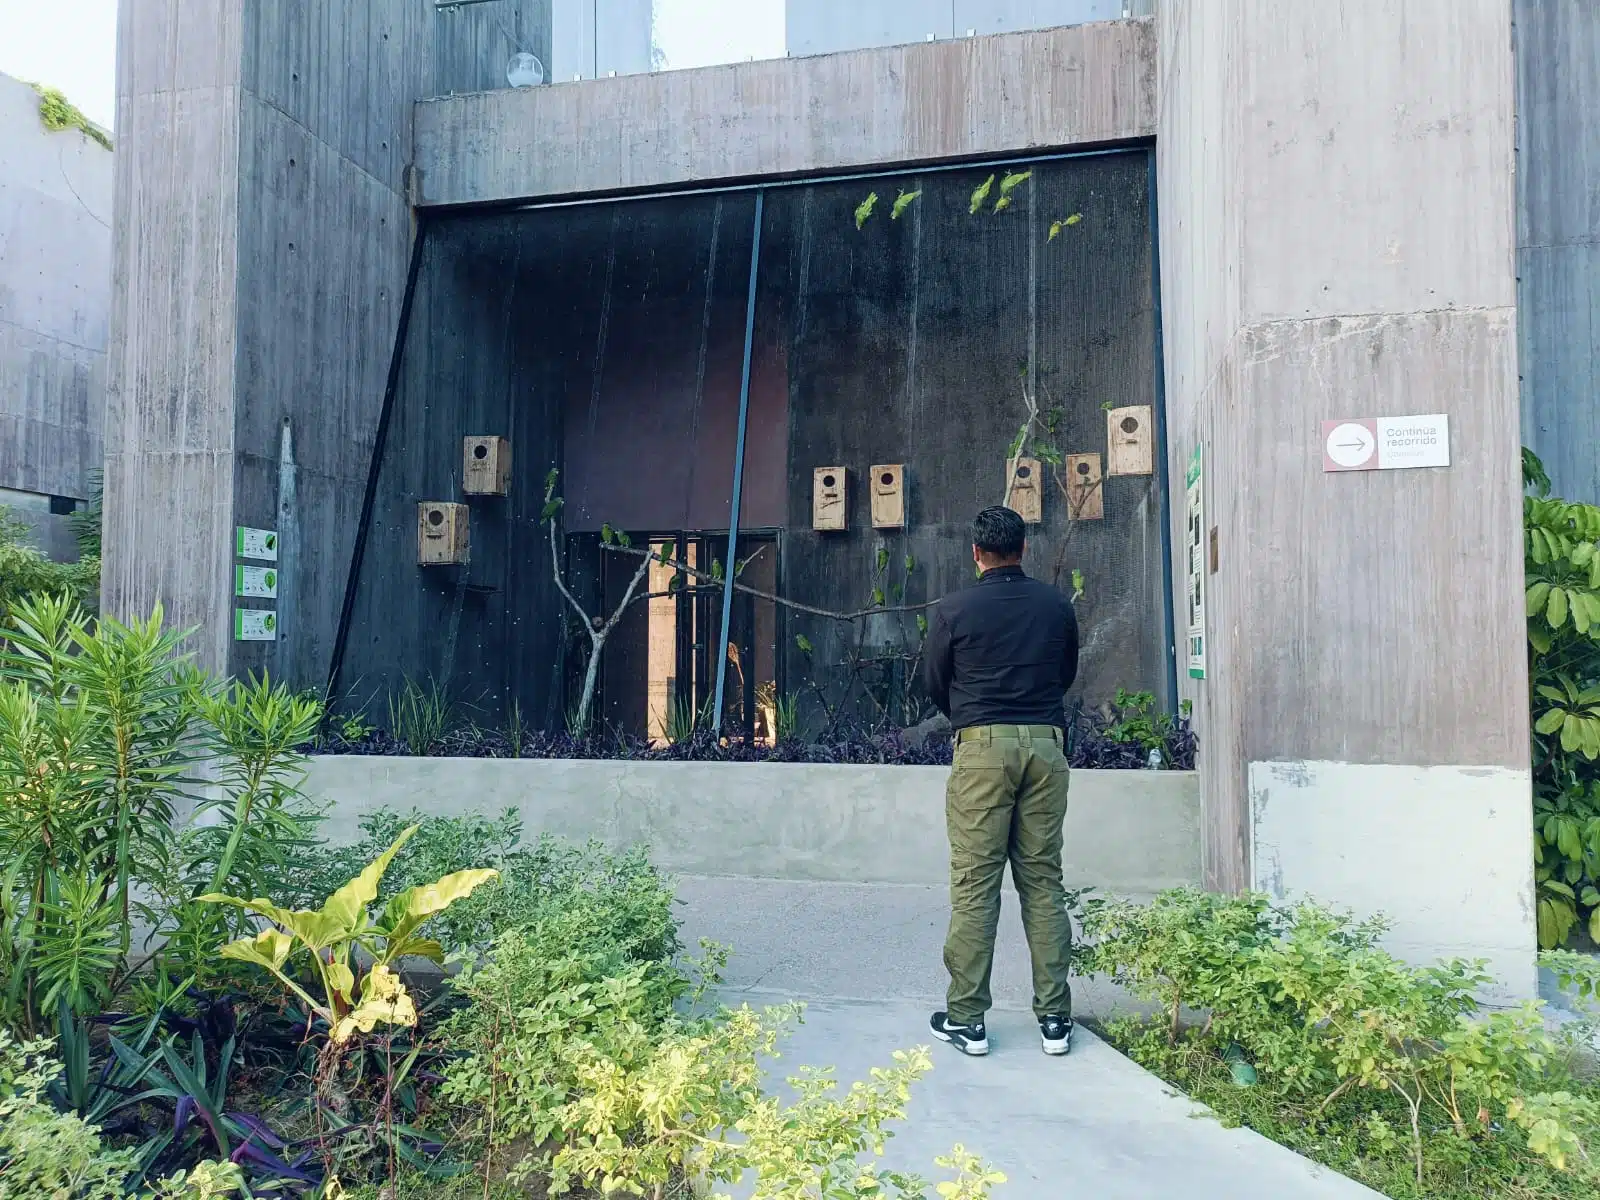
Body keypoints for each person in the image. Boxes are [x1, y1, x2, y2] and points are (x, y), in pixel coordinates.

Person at [922, 505, 1080, 1058]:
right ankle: (1055, 1020)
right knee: (1042, 880)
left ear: (976, 553)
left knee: (975, 882)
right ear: (1024, 548)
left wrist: (972, 714)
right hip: (1045, 744)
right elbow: (1066, 675)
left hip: (982, 748)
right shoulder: (1056, 606)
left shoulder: (953, 609)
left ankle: (968, 1020)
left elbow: (934, 684)